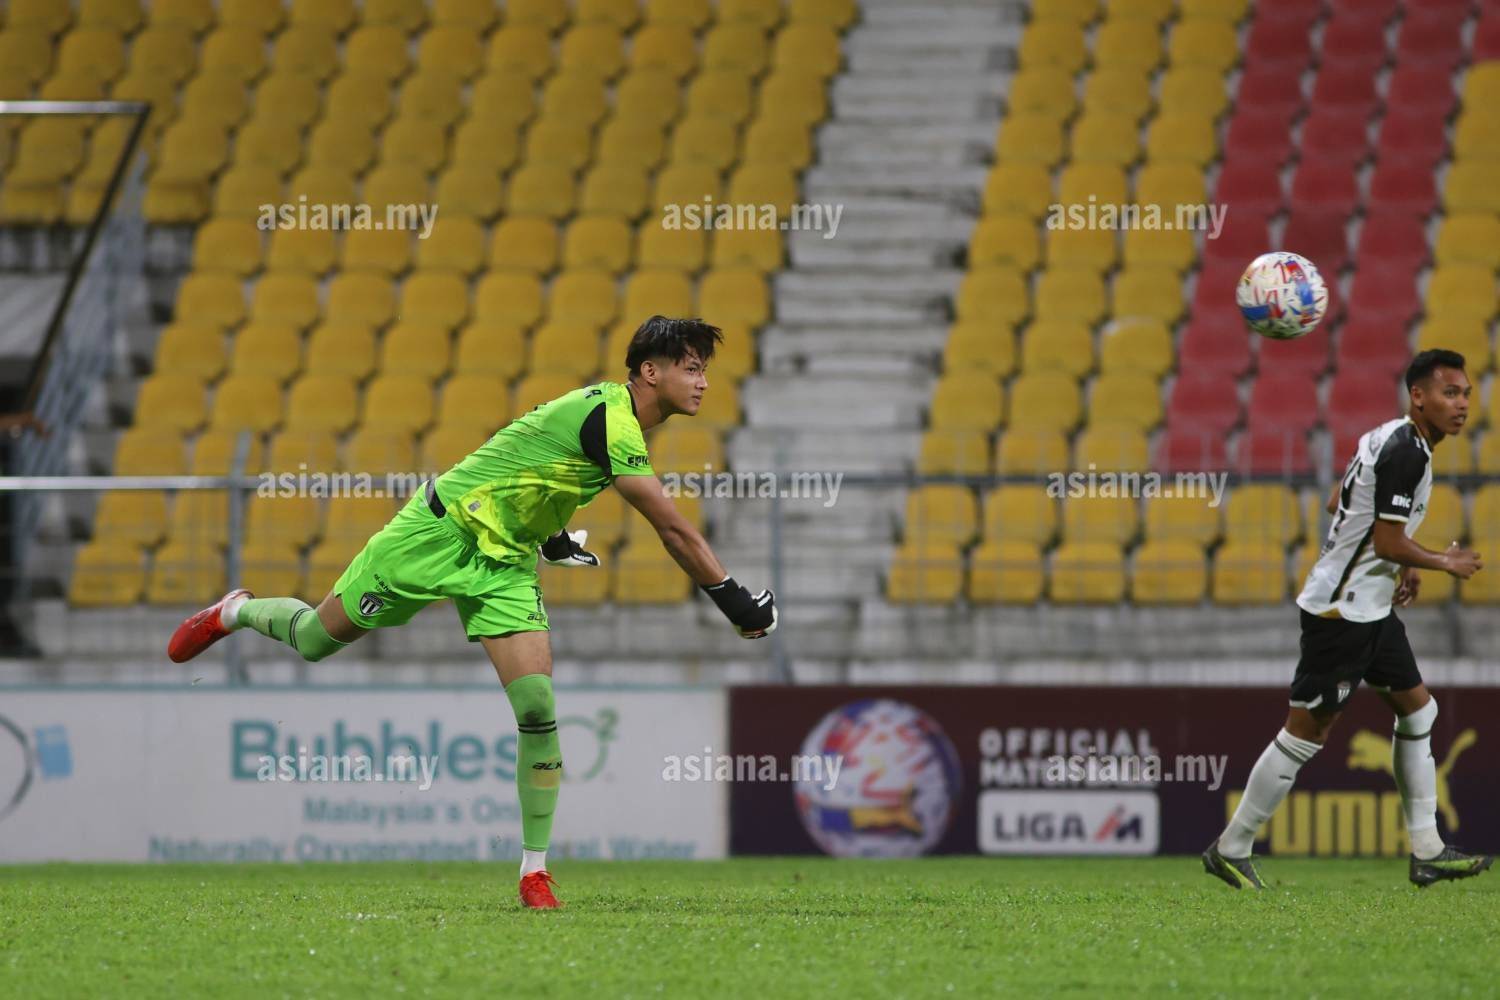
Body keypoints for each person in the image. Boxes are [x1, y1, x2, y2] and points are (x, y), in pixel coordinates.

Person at [167, 316, 778, 908]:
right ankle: (236, 611)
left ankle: (534, 871)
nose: (703, 382)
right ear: (650, 372)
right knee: (314, 640)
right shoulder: (612, 421)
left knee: (537, 707)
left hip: (504, 564)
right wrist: (735, 600)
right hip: (436, 534)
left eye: (703, 371)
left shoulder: (609, 418)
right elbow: (672, 530)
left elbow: (533, 466)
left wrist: (551, 536)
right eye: (691, 369)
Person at [1204, 349, 1490, 890]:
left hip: (1370, 606)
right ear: (1419, 396)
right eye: (1450, 393)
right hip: (1343, 612)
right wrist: (1438, 560)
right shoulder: (1407, 453)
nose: (1461, 405)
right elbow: (1384, 539)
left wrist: (1402, 563)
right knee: (1305, 733)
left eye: (1466, 394)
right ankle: (1231, 847)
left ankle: (1427, 850)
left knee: (1419, 710)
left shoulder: (1386, 437)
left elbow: (1340, 499)